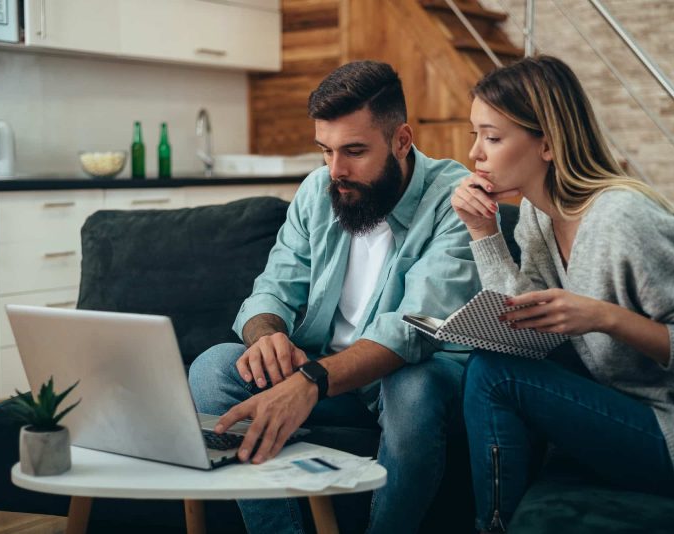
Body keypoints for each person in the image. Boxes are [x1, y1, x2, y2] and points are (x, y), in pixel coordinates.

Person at [188, 60, 481, 534]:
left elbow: (411, 330)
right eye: (325, 151)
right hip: (328, 374)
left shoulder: (454, 199)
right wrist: (267, 336)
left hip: (405, 376)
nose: (336, 170)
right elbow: (271, 292)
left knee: (414, 387)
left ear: (402, 140)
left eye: (355, 151)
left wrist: (308, 382)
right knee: (213, 367)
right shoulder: (318, 191)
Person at [451, 55, 674, 533]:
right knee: (486, 364)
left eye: (493, 137)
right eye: (475, 135)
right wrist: (483, 233)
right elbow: (528, 326)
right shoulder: (538, 218)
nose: (476, 155)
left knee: (494, 375)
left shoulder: (624, 219)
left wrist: (605, 317)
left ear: (547, 143)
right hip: (630, 409)